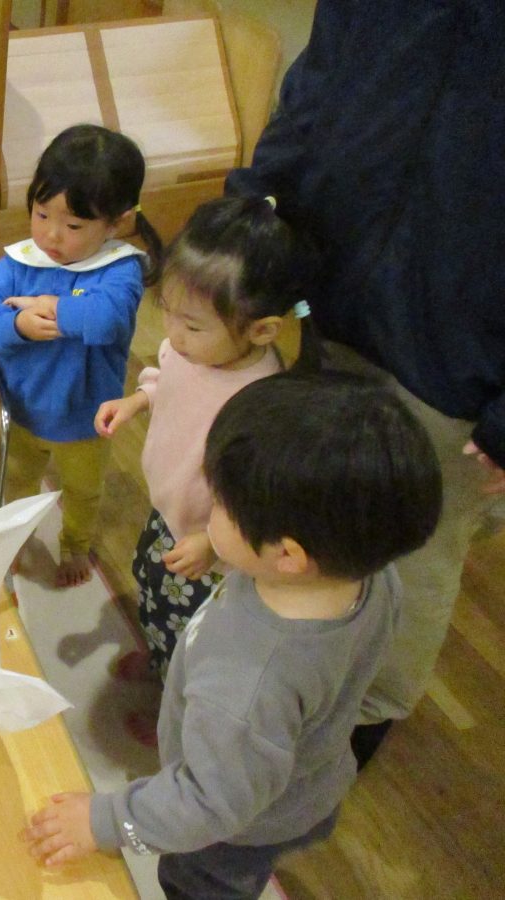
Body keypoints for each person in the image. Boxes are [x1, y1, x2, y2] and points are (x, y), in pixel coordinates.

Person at [23, 372, 442, 900]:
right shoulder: (368, 573)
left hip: (232, 836)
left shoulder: (247, 686)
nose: (208, 510)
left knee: (193, 886)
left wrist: (103, 820)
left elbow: (206, 805)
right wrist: (220, 545)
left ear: (287, 555)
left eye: (219, 505)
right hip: (306, 781)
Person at [225, 0, 505, 765]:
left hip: (463, 349)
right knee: (307, 501)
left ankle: (367, 714)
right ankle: (292, 681)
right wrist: (251, 202)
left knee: (417, 550)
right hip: (330, 291)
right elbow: (316, 86)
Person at [92, 196, 317, 745]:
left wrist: (213, 544)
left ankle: (177, 710)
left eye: (191, 324)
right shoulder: (194, 352)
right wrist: (137, 400)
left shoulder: (258, 401)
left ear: (261, 331)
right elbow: (167, 376)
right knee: (151, 591)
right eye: (167, 311)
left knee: (193, 635)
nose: (173, 334)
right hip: (170, 511)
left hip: (211, 543)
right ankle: (158, 662)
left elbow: (255, 496)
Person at [0, 123, 162, 587]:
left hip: (85, 419)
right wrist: (17, 325)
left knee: (82, 491)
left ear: (117, 223)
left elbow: (107, 318)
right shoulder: (21, 260)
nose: (51, 235)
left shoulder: (120, 269)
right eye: (41, 214)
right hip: (20, 408)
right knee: (16, 481)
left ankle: (75, 544)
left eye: (74, 225)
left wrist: (51, 307)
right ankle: (12, 536)